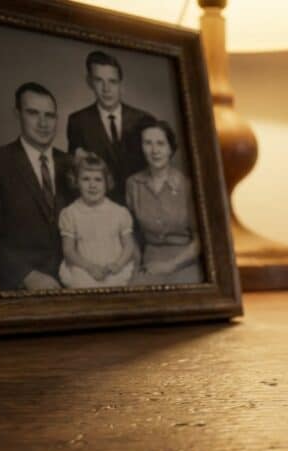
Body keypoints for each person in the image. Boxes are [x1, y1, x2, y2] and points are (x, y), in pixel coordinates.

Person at [0, 82, 73, 291]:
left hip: (73, 279)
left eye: (49, 115)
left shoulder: (72, 164)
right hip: (19, 286)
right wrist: (25, 275)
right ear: (17, 114)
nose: (43, 123)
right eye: (33, 113)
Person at [66, 50, 154, 206]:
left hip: (142, 205)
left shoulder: (144, 120)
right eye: (99, 81)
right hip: (99, 208)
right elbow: (76, 174)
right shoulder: (78, 122)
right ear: (89, 82)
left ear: (121, 83)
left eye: (112, 81)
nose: (106, 89)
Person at [126, 119, 204, 285]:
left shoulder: (187, 186)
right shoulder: (133, 184)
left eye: (161, 143)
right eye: (148, 143)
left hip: (186, 260)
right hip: (150, 259)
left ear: (170, 148)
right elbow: (130, 232)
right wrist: (137, 264)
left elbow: (202, 239)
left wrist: (171, 265)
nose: (155, 151)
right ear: (141, 147)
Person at [58, 153, 137, 288]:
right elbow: (68, 250)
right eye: (86, 179)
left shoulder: (119, 212)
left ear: (107, 183)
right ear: (76, 182)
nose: (92, 185)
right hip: (84, 268)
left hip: (114, 267)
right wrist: (89, 267)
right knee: (83, 285)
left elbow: (129, 245)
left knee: (118, 286)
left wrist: (118, 264)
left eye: (98, 179)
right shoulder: (70, 213)